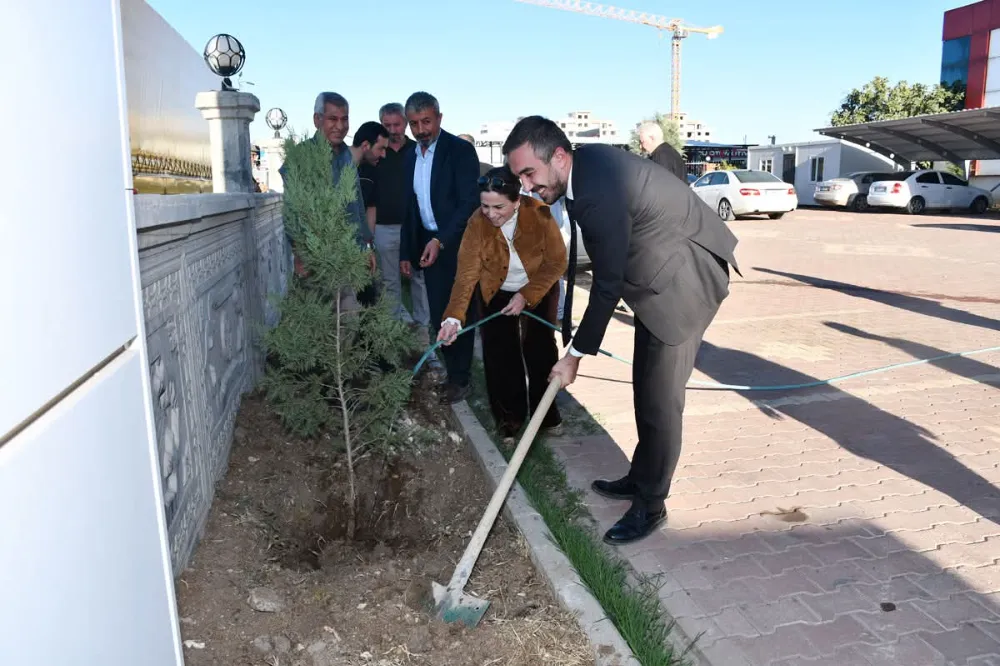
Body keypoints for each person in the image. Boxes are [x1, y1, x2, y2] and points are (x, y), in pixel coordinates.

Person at [503, 116, 740, 546]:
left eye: (529, 173)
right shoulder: (585, 171)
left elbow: (607, 283)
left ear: (559, 157)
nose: (526, 186)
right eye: (520, 177)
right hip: (656, 282)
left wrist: (573, 355)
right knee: (644, 388)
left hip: (685, 282)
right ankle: (641, 476)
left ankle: (651, 503)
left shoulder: (596, 186)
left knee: (661, 401)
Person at [438, 166, 567, 442]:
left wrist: (526, 295)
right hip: (495, 291)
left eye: (498, 207)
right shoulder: (476, 223)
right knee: (500, 356)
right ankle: (510, 420)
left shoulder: (540, 214)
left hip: (538, 288)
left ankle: (546, 415)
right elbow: (466, 275)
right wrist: (453, 318)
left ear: (517, 201)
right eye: (485, 206)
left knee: (541, 352)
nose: (490, 214)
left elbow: (557, 262)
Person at [400, 91, 480, 403]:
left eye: (426, 121)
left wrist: (441, 240)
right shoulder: (410, 156)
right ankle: (452, 372)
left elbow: (469, 203)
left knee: (459, 313)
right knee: (438, 315)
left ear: (439, 118)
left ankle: (461, 379)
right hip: (429, 247)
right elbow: (411, 208)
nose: (421, 130)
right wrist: (406, 252)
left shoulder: (459, 151)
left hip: (459, 245)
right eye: (414, 124)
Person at [373, 103, 430, 338]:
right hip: (383, 227)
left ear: (405, 123)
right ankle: (393, 332)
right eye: (387, 125)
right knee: (388, 281)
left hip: (414, 227)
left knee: (419, 278)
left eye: (397, 124)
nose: (392, 130)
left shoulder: (419, 150)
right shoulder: (377, 153)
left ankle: (422, 330)